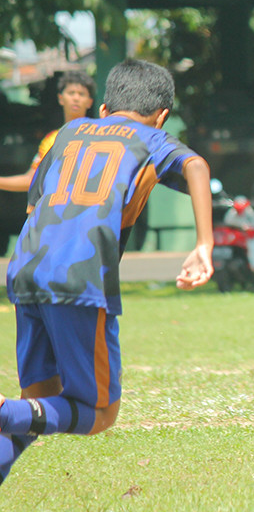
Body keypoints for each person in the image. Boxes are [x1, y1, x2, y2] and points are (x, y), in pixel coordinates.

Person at [0, 59, 214, 486]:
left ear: (101, 108)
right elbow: (196, 166)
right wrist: (204, 243)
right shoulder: (151, 138)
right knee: (99, 412)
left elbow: (35, 205)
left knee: (37, 408)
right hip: (80, 277)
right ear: (163, 116)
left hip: (26, 269)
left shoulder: (66, 133)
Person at [0, 70, 97, 193]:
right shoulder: (51, 140)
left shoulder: (99, 136)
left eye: (81, 94)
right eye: (71, 93)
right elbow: (32, 179)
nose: (76, 98)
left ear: (89, 102)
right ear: (61, 98)